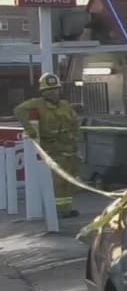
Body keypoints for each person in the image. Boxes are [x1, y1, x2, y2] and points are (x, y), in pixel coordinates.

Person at [14, 73, 81, 218]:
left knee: (69, 182)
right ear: (43, 92)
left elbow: (75, 122)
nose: (53, 93)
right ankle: (58, 212)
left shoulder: (65, 105)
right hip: (53, 149)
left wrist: (75, 137)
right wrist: (29, 128)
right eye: (49, 90)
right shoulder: (38, 104)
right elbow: (18, 110)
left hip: (69, 149)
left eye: (55, 89)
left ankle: (67, 209)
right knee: (58, 182)